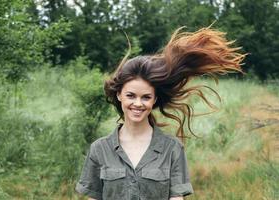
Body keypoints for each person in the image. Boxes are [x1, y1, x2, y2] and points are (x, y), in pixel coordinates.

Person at [75, 26, 246, 200]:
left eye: (146, 97)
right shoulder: (99, 149)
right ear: (119, 95)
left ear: (154, 99)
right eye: (131, 95)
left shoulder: (172, 148)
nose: (138, 104)